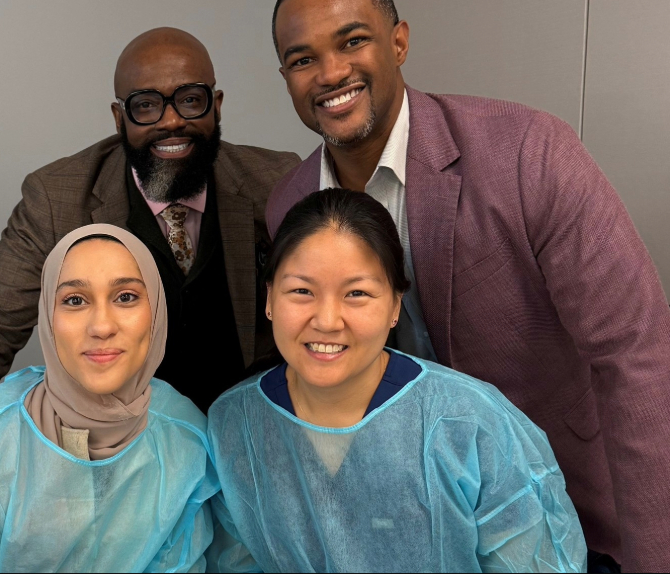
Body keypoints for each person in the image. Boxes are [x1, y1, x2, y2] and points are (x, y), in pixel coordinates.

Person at [264, 0, 670, 572]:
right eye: (302, 59)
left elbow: (638, 355)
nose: (331, 73)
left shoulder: (529, 153)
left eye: (353, 41)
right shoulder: (289, 205)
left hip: (564, 515)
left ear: (399, 41)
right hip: (397, 532)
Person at [0, 27, 300, 556]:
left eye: (190, 100)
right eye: (146, 105)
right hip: (127, 465)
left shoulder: (276, 182)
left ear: (216, 105)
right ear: (118, 117)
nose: (172, 120)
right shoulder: (58, 196)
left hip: (250, 453)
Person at [208, 188, 586, 573]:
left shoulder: (466, 423)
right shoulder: (235, 426)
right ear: (269, 297)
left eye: (356, 293)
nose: (326, 320)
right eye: (302, 291)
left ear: (394, 304)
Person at [0, 225, 218, 572]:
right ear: (48, 316)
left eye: (126, 297)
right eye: (75, 300)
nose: (102, 326)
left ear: (156, 311)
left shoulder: (188, 438)